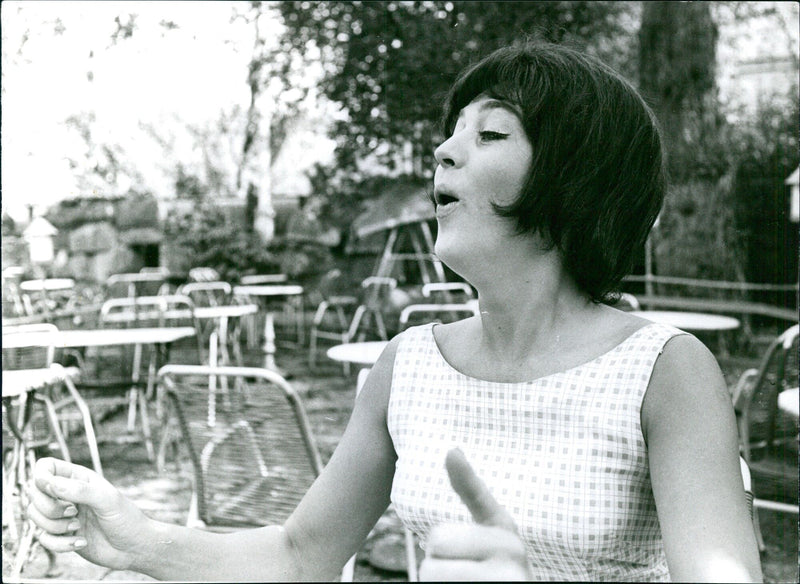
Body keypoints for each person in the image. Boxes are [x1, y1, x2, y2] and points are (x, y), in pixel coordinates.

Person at [27, 42, 762, 582]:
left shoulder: (663, 372)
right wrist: (133, 539)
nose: (442, 150)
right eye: (452, 131)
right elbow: (300, 555)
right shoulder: (405, 365)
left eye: (491, 134)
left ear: (579, 178)